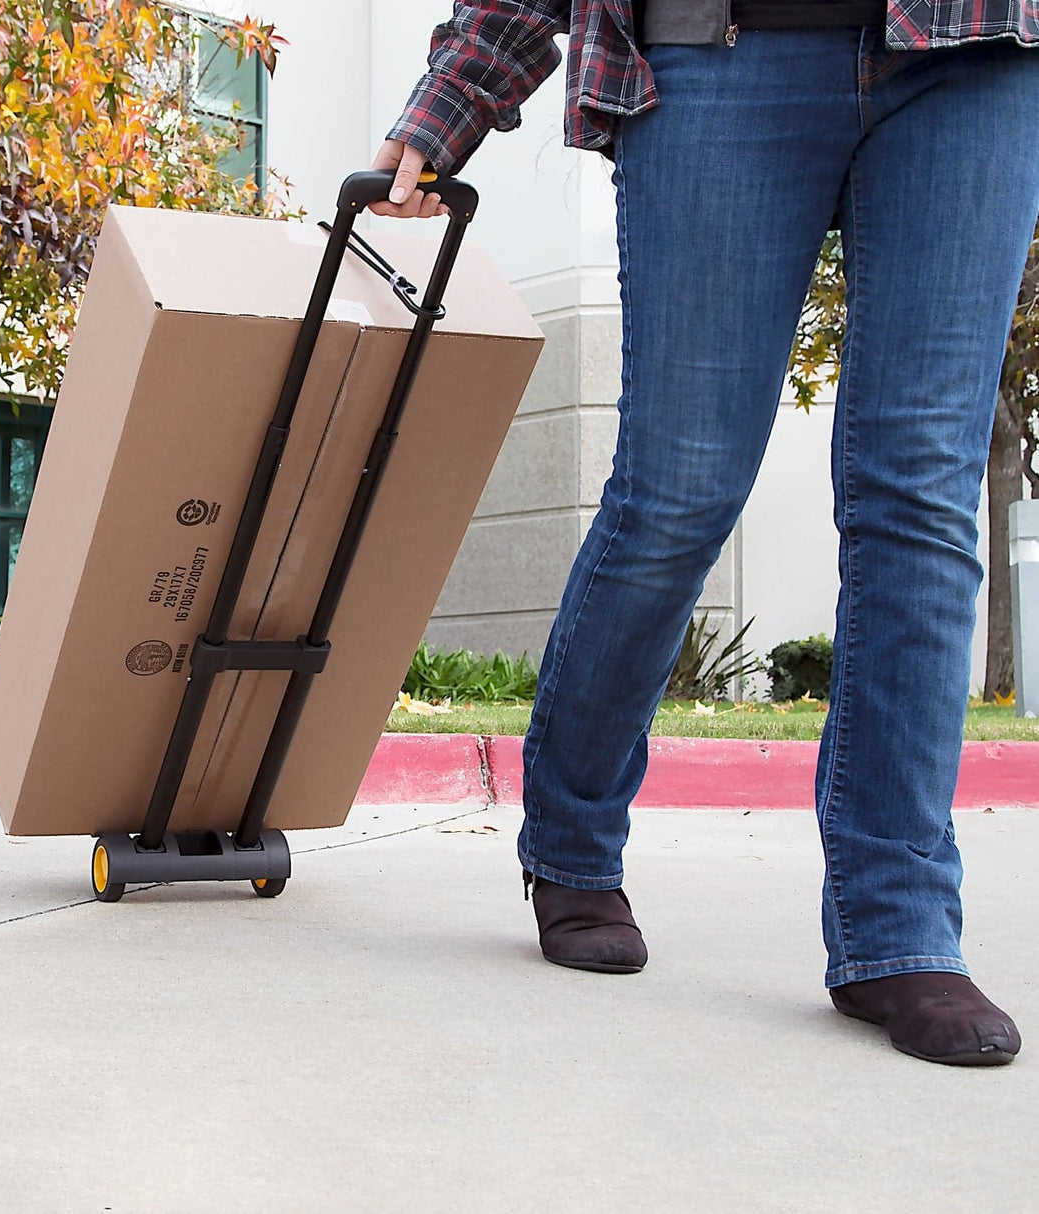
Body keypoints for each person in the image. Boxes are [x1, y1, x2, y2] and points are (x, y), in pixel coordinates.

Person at [370, 0, 1038, 1066]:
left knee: (917, 495)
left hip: (971, 51)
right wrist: (452, 99)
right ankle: (574, 843)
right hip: (715, 48)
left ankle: (898, 924)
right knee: (676, 489)